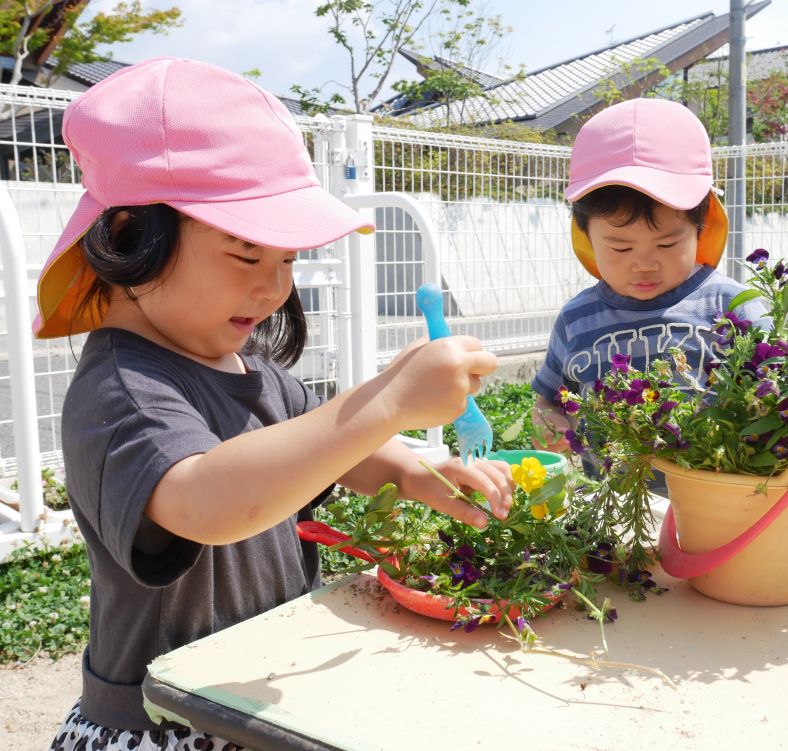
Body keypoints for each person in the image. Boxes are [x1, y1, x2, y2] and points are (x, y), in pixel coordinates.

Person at [39, 57, 513, 751]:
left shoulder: (246, 362)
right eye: (245, 256)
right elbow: (210, 502)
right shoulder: (123, 390)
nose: (273, 289)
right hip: (165, 719)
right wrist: (386, 400)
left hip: (252, 695)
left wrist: (413, 473)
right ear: (131, 236)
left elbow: (335, 445)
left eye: (287, 260)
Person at [532, 98, 770, 454]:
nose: (644, 264)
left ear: (701, 228)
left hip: (720, 505)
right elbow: (548, 401)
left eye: (667, 243)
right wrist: (550, 421)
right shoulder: (576, 319)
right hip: (614, 504)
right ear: (586, 237)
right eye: (621, 248)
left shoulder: (736, 309)